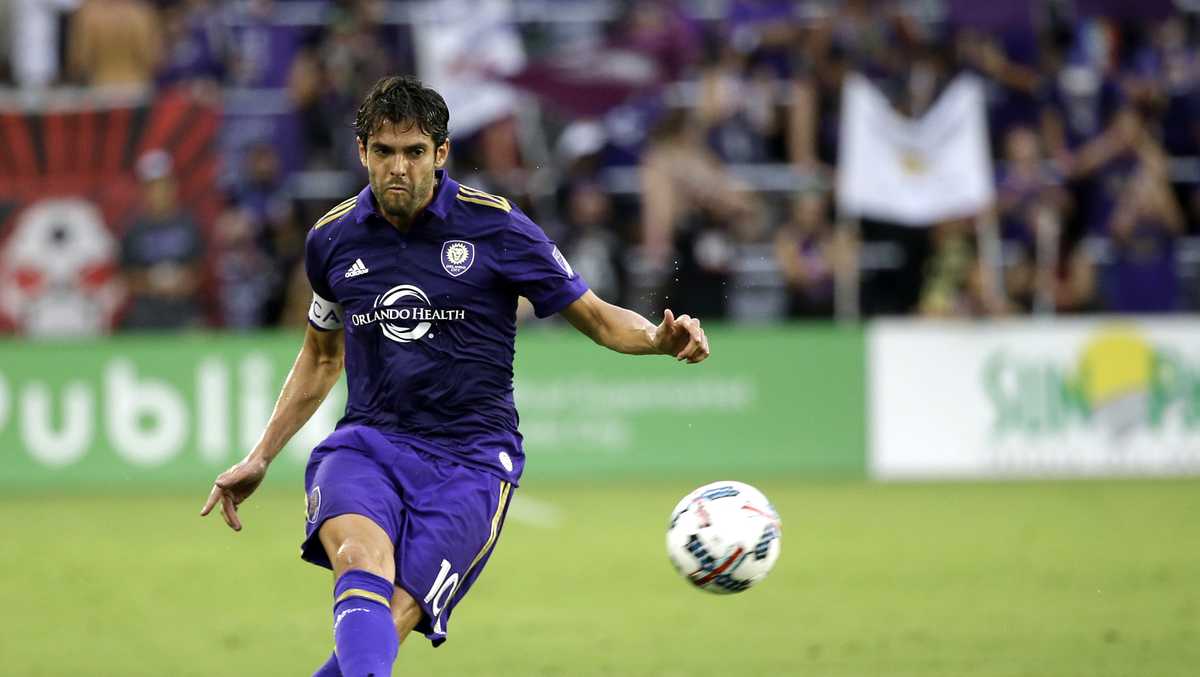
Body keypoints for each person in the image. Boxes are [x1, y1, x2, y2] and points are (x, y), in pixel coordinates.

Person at [199, 75, 709, 677]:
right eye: (384, 151)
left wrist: (655, 338)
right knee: (360, 558)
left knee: (389, 622)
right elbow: (320, 355)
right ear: (361, 151)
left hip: (471, 460)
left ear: (441, 154)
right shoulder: (331, 241)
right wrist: (261, 455)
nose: (398, 168)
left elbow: (597, 318)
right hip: (369, 443)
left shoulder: (498, 228)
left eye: (415, 152)